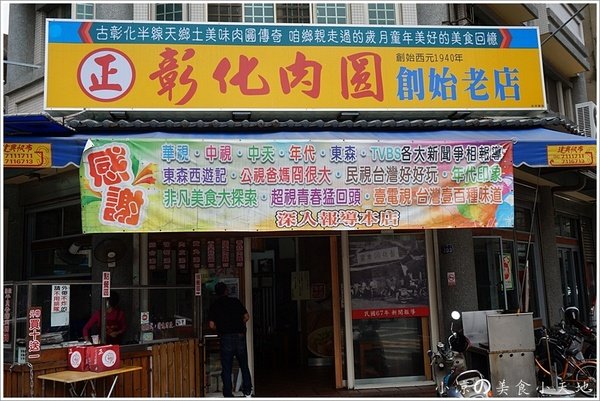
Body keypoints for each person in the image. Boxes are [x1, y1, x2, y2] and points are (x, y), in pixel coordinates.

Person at [208, 282, 253, 398]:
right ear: (226, 291)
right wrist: (238, 324)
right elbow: (247, 317)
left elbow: (211, 325)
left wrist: (221, 327)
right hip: (239, 336)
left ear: (216, 293)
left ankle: (228, 393)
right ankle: (248, 391)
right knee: (243, 365)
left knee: (227, 367)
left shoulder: (214, 305)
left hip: (226, 337)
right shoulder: (235, 301)